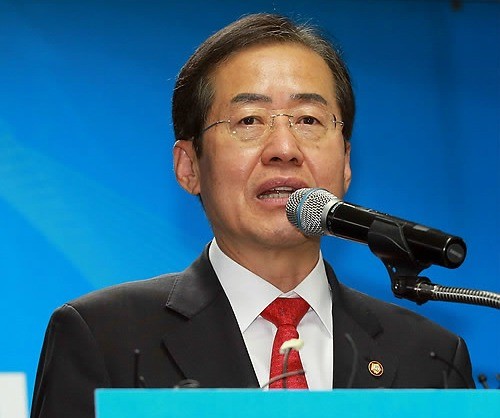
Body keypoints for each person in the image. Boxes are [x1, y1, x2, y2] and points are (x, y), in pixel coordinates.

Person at [31, 12, 475, 418]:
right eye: (249, 120)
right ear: (189, 167)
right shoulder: (103, 337)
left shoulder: (431, 357)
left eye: (308, 120)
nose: (284, 149)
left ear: (345, 161)